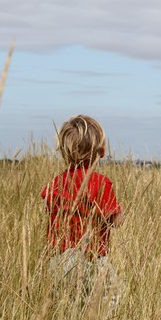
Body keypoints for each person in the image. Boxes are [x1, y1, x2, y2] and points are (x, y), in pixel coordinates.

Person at [41, 115, 123, 301]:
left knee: (66, 307)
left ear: (63, 151)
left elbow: (49, 208)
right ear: (101, 151)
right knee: (111, 300)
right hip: (92, 258)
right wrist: (120, 212)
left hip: (58, 260)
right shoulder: (100, 184)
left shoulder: (55, 183)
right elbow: (116, 222)